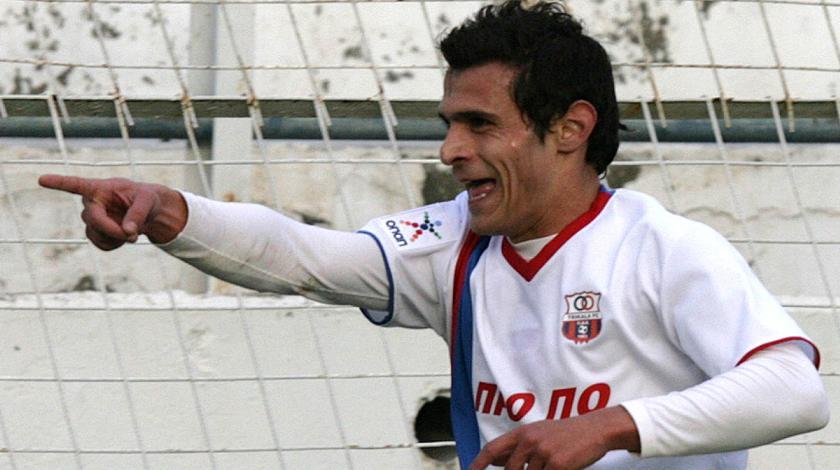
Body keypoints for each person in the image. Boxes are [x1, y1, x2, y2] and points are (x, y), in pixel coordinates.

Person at [39, 1, 828, 469]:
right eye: (449, 123)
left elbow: (794, 389)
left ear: (569, 129)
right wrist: (169, 211)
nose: (450, 150)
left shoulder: (664, 249)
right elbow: (308, 258)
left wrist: (612, 426)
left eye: (479, 124)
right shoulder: (453, 241)